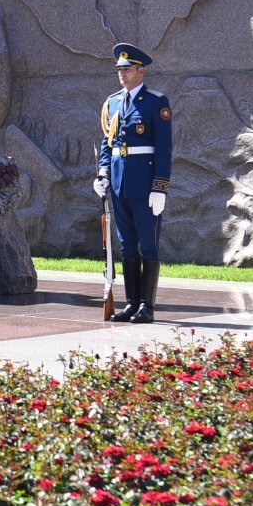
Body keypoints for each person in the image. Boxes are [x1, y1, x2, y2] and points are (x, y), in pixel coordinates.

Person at [94, 44, 172, 323]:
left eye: (127, 69)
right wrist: (103, 173)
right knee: (126, 245)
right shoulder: (113, 102)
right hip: (118, 184)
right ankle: (131, 304)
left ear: (142, 70)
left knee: (147, 246)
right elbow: (108, 142)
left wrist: (160, 186)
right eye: (120, 70)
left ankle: (147, 307)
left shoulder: (155, 102)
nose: (122, 74)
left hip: (145, 184)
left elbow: (164, 147)